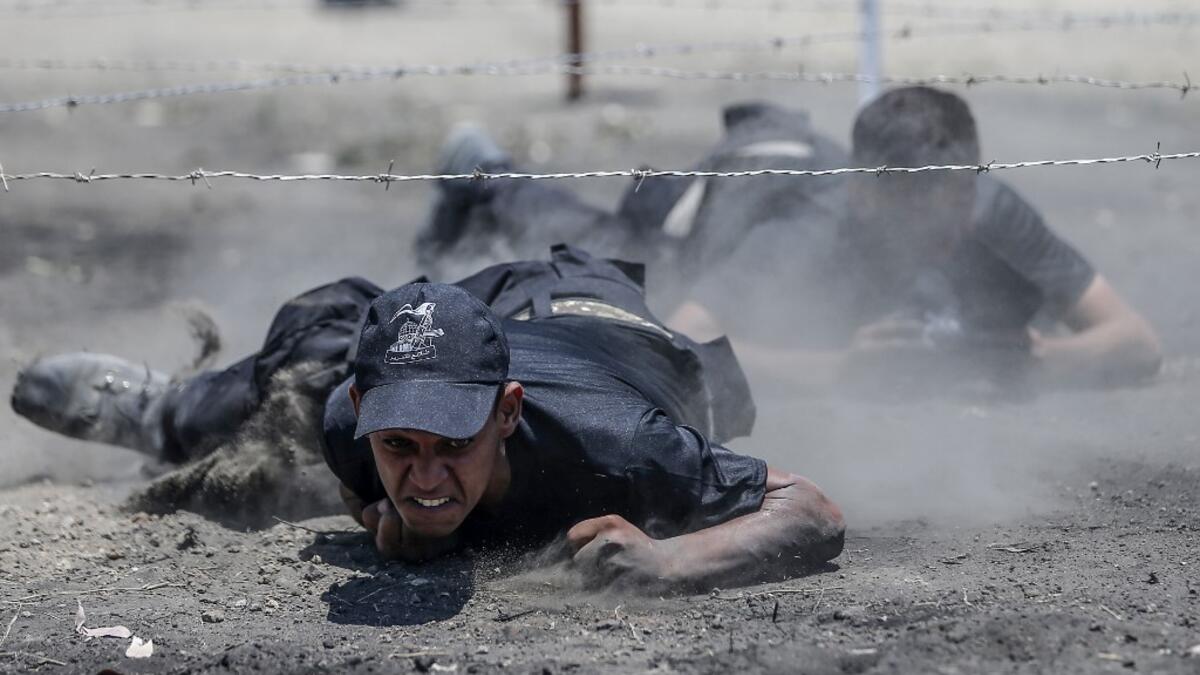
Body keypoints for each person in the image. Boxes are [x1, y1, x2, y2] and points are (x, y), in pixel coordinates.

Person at [12, 246, 845, 591]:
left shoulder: (623, 446)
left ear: (507, 412)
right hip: (497, 308)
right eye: (400, 445)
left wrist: (672, 557)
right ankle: (167, 413)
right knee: (313, 355)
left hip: (616, 327)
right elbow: (375, 455)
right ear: (368, 418)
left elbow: (811, 508)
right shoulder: (347, 419)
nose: (426, 473)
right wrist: (380, 511)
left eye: (454, 442)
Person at [418, 89, 1161, 395]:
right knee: (586, 246)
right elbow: (677, 346)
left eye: (961, 200)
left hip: (786, 169)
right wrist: (843, 366)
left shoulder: (985, 203)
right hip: (697, 223)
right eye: (928, 213)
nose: (955, 229)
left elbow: (1136, 343)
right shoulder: (807, 230)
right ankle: (482, 171)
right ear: (867, 196)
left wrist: (1021, 360)